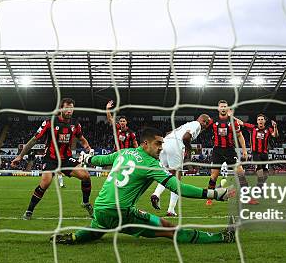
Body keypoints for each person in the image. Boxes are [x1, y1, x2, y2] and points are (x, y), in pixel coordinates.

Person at [51, 127, 236, 245]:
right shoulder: (150, 164)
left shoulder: (125, 152)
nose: (161, 148)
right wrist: (214, 194)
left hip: (101, 208)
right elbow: (179, 188)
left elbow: (102, 159)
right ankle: (222, 238)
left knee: (100, 227)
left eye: (162, 143)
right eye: (158, 144)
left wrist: (87, 158)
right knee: (169, 229)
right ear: (145, 143)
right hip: (121, 211)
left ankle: (75, 237)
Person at [11, 98, 94, 219]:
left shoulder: (75, 124)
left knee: (85, 176)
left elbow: (81, 138)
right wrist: (20, 156)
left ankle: (85, 203)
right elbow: (34, 139)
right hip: (50, 158)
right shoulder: (50, 122)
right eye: (67, 108)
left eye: (71, 108)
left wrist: (87, 147)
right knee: (45, 183)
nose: (69, 111)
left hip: (66, 159)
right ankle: (29, 211)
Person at [150, 114, 211, 216]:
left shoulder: (187, 124)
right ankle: (171, 210)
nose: (205, 126)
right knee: (177, 178)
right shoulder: (197, 124)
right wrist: (188, 148)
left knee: (166, 174)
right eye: (206, 123)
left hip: (164, 144)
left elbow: (168, 133)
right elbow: (186, 137)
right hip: (175, 145)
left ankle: (156, 194)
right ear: (203, 121)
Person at [206, 100, 248, 206]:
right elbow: (203, 128)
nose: (223, 108)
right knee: (214, 176)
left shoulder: (233, 121)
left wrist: (244, 150)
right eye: (221, 106)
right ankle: (209, 198)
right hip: (217, 151)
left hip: (229, 150)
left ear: (227, 108)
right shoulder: (213, 121)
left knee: (240, 172)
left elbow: (240, 136)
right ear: (218, 108)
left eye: (225, 106)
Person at [234, 114, 278, 190]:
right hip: (255, 153)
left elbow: (275, 135)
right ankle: (259, 188)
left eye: (262, 119)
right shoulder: (253, 128)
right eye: (259, 119)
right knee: (260, 171)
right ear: (257, 121)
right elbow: (241, 122)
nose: (260, 121)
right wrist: (232, 116)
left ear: (264, 121)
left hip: (265, 153)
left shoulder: (269, 129)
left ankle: (259, 187)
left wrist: (275, 127)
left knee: (265, 174)